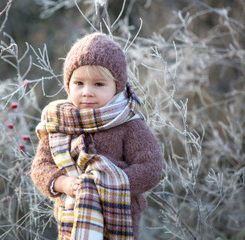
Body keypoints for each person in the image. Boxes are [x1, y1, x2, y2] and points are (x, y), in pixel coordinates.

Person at [31, 32, 162, 240]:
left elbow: (151, 167)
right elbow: (41, 167)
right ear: (68, 84)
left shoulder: (128, 123)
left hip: (119, 218)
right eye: (79, 83)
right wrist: (63, 183)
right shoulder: (58, 123)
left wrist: (111, 181)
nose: (87, 92)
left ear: (116, 86)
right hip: (71, 219)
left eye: (98, 84)